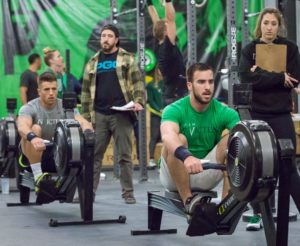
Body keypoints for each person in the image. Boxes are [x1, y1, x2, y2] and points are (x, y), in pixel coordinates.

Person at [239, 7, 300, 231]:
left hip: (281, 114)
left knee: (288, 166)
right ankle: (258, 216)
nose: (269, 28)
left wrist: (261, 74)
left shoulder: (291, 49)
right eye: (266, 23)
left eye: (274, 23)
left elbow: (294, 81)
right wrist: (278, 77)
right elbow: (247, 77)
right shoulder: (249, 50)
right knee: (260, 166)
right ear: (260, 25)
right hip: (258, 115)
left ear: (279, 26)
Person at [160, 63, 240, 219]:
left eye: (210, 81)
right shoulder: (175, 109)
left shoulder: (224, 112)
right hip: (174, 175)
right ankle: (189, 202)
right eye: (201, 82)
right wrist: (187, 156)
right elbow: (167, 135)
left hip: (206, 172)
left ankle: (226, 206)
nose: (207, 87)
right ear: (190, 85)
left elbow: (243, 138)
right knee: (179, 139)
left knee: (234, 138)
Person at [81, 24, 145, 204]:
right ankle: (88, 194)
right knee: (93, 156)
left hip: (121, 114)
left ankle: (128, 194)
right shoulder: (93, 62)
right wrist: (86, 119)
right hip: (99, 115)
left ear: (116, 39)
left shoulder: (127, 59)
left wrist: (139, 100)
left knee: (125, 156)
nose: (105, 39)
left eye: (109, 36)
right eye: (103, 36)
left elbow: (138, 83)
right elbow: (85, 93)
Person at [17, 72, 93, 203]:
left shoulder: (65, 106)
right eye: (46, 89)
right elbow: (22, 126)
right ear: (39, 91)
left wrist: (88, 131)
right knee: (35, 129)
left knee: (77, 144)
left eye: (54, 88)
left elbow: (81, 120)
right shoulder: (30, 107)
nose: (51, 93)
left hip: (57, 154)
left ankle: (68, 190)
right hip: (32, 154)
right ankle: (37, 177)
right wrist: (33, 138)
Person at [147, 0, 187, 106]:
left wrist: (149, 2)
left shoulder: (158, 44)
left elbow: (155, 20)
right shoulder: (167, 46)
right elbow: (170, 19)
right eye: (168, 27)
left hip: (170, 95)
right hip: (177, 96)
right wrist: (168, 1)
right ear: (166, 32)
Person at [146, 66, 163, 168]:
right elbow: (151, 101)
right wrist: (159, 109)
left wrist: (166, 109)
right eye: (160, 69)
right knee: (154, 136)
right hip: (156, 115)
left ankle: (164, 161)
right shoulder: (151, 85)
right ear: (157, 71)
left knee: (166, 138)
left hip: (167, 114)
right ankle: (151, 159)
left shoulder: (167, 84)